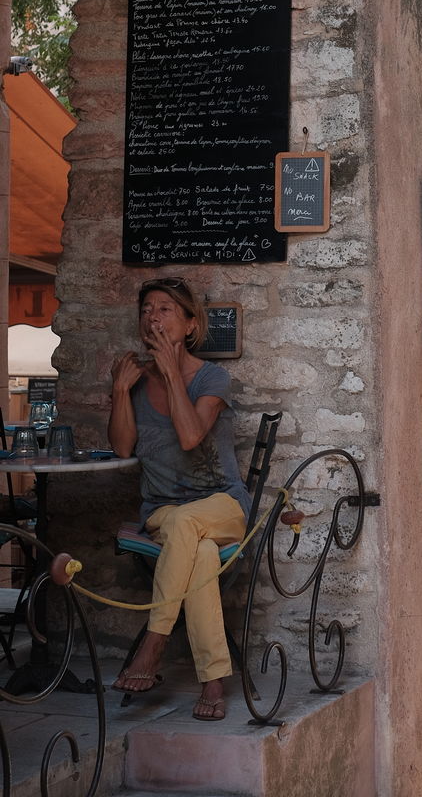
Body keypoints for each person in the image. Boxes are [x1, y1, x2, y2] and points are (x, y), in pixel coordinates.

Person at [109, 277, 250, 721]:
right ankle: (213, 680)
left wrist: (171, 372)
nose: (153, 316)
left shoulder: (212, 377)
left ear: (190, 325)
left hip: (223, 505)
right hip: (164, 511)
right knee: (202, 555)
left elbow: (191, 437)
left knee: (193, 528)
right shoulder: (134, 378)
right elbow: (122, 448)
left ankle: (153, 644)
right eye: (147, 308)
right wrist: (119, 390)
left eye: (166, 309)